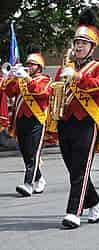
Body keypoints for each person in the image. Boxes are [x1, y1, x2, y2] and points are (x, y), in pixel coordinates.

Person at [56, 9, 99, 228]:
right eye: (76, 42)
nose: (79, 46)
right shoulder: (67, 66)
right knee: (74, 168)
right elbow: (56, 91)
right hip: (65, 121)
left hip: (87, 122)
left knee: (81, 168)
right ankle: (96, 202)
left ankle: (73, 212)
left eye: (83, 43)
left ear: (92, 46)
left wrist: (77, 77)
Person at [4, 46, 51, 197]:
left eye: (32, 64)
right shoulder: (21, 80)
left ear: (39, 67)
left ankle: (28, 183)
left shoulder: (45, 80)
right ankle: (39, 178)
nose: (29, 67)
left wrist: (26, 78)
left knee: (33, 152)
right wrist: (11, 77)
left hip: (37, 120)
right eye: (28, 64)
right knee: (25, 152)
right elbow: (9, 92)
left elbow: (40, 92)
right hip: (21, 119)